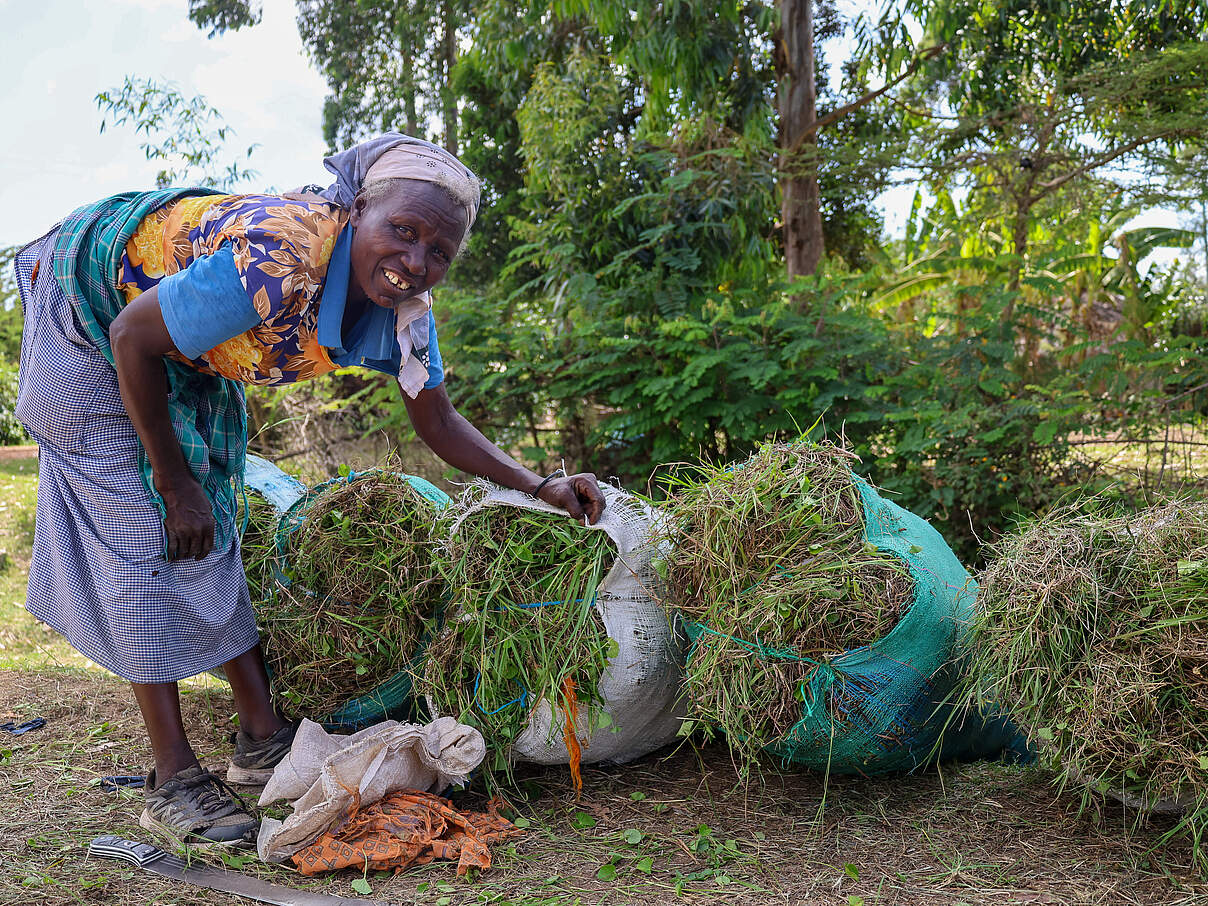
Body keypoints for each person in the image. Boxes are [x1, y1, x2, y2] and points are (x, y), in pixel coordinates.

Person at [13, 133, 605, 847]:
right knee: (144, 526)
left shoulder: (408, 318)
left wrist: (541, 485)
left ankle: (260, 737)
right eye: (402, 230)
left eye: (439, 252)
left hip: (184, 351)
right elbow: (132, 336)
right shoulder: (281, 256)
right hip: (89, 309)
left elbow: (439, 421)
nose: (416, 261)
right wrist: (172, 483)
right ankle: (171, 779)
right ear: (355, 210)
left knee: (213, 514)